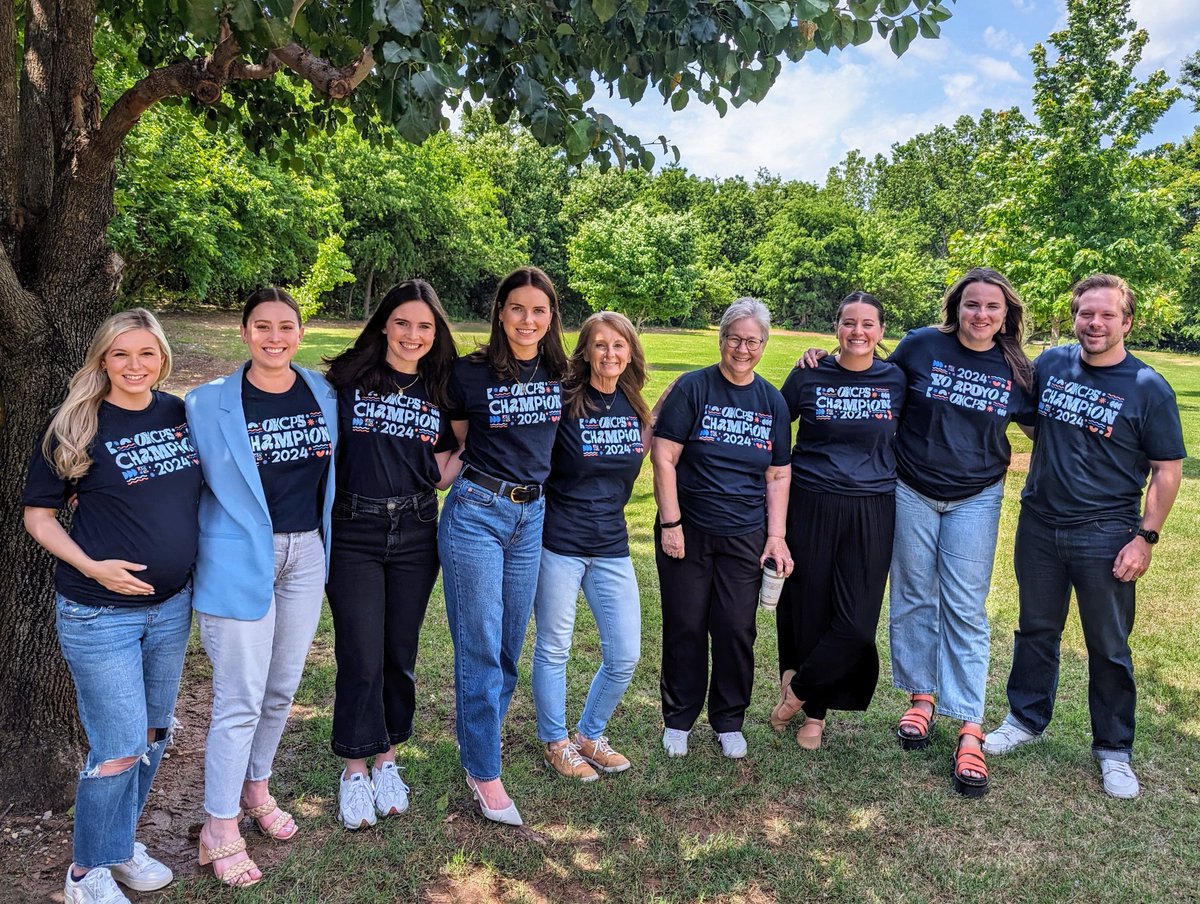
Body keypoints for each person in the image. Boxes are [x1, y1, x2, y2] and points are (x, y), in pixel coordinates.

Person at [804, 268, 1034, 795]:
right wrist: (819, 357)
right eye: (972, 305)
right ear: (957, 307)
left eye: (992, 308)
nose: (981, 315)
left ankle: (970, 725)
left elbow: (1042, 427)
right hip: (909, 488)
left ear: (1005, 314)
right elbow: (868, 370)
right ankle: (921, 699)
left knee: (965, 607)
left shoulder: (1016, 367)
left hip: (975, 497)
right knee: (911, 595)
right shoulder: (921, 345)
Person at [22, 310, 202, 904]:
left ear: (162, 359)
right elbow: (39, 516)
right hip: (99, 612)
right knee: (118, 745)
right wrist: (92, 565)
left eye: (146, 354)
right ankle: (84, 871)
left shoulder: (180, 415)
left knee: (154, 733)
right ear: (102, 360)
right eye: (121, 355)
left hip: (171, 607)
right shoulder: (74, 425)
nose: (134, 366)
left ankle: (118, 847)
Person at [985, 274, 1184, 800]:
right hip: (1040, 525)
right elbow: (1033, 422)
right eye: (1086, 314)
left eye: (1107, 315)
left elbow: (1166, 469)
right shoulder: (1051, 364)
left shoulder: (1147, 388)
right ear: (1075, 317)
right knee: (1036, 630)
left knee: (1109, 646)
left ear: (1127, 322)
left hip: (1107, 534)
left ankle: (1114, 751)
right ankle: (1025, 720)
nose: (1095, 324)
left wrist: (1145, 537)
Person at [186, 287, 338, 886]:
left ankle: (256, 789)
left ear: (301, 333)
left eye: (286, 327)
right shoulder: (205, 404)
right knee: (239, 699)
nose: (275, 338)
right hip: (237, 560)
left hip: (306, 554)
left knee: (280, 690)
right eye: (262, 327)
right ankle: (217, 828)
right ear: (243, 333)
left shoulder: (321, 392)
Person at [323, 280, 462, 829]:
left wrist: (439, 476)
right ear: (384, 323)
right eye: (403, 322)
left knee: (399, 652)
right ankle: (354, 771)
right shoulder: (346, 381)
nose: (413, 335)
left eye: (425, 326)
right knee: (361, 652)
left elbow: (456, 449)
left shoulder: (440, 386)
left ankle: (387, 760)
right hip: (354, 528)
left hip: (416, 530)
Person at [439, 266, 568, 825]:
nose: (527, 320)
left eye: (539, 311)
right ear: (500, 312)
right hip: (476, 513)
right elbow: (455, 437)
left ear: (550, 319)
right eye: (518, 308)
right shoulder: (469, 373)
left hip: (531, 514)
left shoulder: (563, 372)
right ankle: (485, 772)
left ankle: (478, 740)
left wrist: (814, 357)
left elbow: (624, 366)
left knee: (510, 641)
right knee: (481, 642)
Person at [653, 297, 793, 760]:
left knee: (735, 627)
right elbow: (664, 457)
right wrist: (671, 522)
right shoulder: (693, 388)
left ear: (764, 344)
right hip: (687, 528)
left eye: (752, 340)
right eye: (734, 338)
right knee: (686, 624)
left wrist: (775, 535)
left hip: (745, 534)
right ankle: (678, 719)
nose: (742, 348)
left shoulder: (772, 401)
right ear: (721, 339)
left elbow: (777, 474)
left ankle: (729, 719)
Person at [770, 292, 906, 751]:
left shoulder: (896, 379)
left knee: (855, 622)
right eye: (849, 323)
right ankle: (814, 716)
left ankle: (799, 689)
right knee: (809, 610)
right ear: (836, 328)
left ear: (881, 331)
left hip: (873, 507)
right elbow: (772, 423)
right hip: (811, 502)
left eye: (868, 324)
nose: (858, 332)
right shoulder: (810, 372)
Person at [531, 311, 651, 782]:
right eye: (600, 345)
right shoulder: (563, 401)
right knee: (555, 648)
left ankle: (589, 735)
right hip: (560, 542)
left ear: (630, 352)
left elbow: (631, 466)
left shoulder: (632, 404)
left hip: (612, 544)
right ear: (585, 351)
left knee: (625, 654)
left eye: (618, 345)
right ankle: (556, 742)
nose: (610, 354)